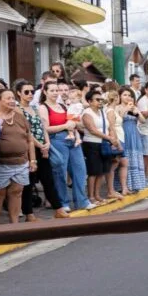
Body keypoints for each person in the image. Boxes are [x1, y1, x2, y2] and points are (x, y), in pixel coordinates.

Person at [38, 81, 90, 218]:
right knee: (60, 172)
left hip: (72, 138)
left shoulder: (63, 105)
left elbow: (73, 121)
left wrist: (75, 124)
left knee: (80, 169)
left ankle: (82, 201)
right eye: (52, 90)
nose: (56, 93)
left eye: (57, 90)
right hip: (57, 139)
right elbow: (45, 129)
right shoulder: (43, 107)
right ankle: (63, 202)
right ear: (45, 92)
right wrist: (65, 126)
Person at [15, 79, 57, 221]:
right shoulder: (17, 109)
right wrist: (40, 145)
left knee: (48, 179)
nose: (30, 94)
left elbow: (42, 127)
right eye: (26, 92)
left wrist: (47, 143)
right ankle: (29, 214)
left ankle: (58, 208)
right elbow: (26, 132)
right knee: (29, 182)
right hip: (29, 148)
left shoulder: (35, 108)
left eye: (32, 91)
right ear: (19, 93)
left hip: (43, 147)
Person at [0, 88, 33, 225]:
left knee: (17, 192)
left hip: (21, 162)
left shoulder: (20, 117)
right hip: (1, 163)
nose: (12, 101)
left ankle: (15, 225)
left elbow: (29, 139)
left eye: (13, 98)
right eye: (8, 98)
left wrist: (33, 160)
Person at [81, 89, 109, 204]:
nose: (100, 101)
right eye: (97, 99)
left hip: (103, 143)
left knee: (101, 171)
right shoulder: (87, 113)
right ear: (89, 101)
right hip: (91, 144)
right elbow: (92, 130)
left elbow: (108, 126)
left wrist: (111, 138)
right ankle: (91, 196)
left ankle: (97, 195)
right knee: (93, 171)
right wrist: (109, 138)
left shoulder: (102, 112)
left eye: (101, 99)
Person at [116, 87, 146, 193]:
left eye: (129, 95)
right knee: (124, 160)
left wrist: (136, 112)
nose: (127, 97)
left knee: (134, 158)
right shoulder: (117, 107)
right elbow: (117, 120)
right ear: (120, 96)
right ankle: (123, 186)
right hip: (123, 134)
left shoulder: (134, 107)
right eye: (125, 95)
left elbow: (143, 120)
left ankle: (135, 185)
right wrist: (126, 109)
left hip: (134, 135)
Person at [105, 91, 127, 198]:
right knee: (113, 164)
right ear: (115, 98)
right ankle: (111, 190)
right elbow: (111, 127)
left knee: (120, 163)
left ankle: (120, 188)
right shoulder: (110, 111)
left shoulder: (113, 110)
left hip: (120, 138)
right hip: (117, 139)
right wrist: (116, 142)